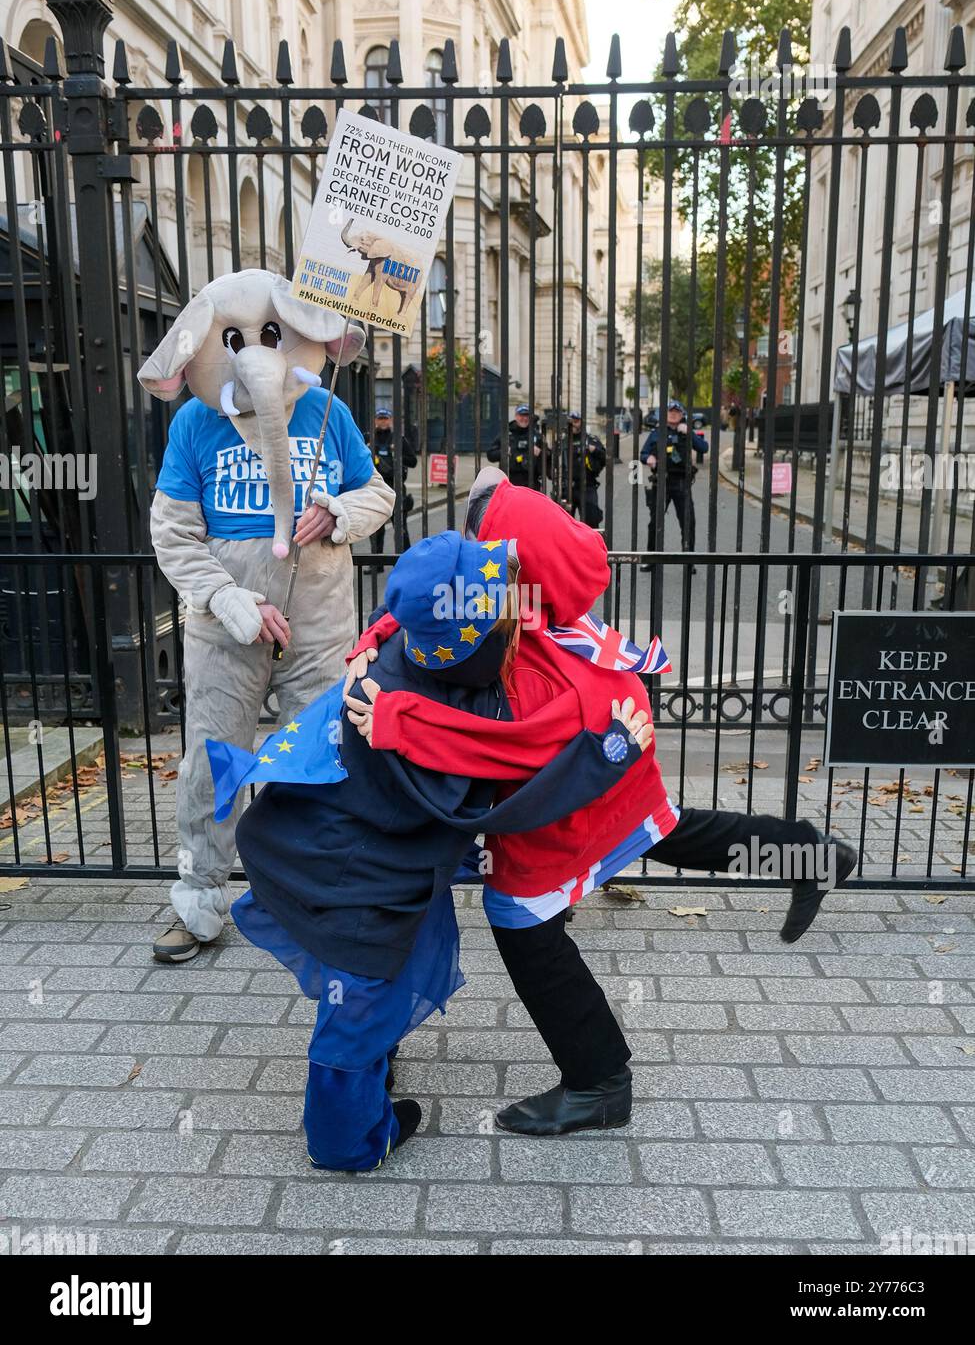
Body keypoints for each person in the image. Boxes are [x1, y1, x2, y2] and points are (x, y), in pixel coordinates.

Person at [345, 469, 858, 1136]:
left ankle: (598, 1081)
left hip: (582, 780)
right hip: (611, 759)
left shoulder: (531, 666)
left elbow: (497, 746)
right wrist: (371, 639)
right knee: (665, 829)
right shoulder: (537, 604)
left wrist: (394, 720)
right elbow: (429, 592)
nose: (475, 557)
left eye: (486, 548)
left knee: (523, 921)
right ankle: (812, 854)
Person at [230, 529, 652, 1170]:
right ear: (475, 636)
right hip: (351, 877)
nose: (514, 606)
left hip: (334, 846)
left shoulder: (406, 654)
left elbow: (397, 610)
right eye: (499, 603)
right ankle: (347, 1142)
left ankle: (369, 1087)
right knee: (359, 1007)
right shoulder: (429, 721)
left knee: (372, 988)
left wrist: (371, 638)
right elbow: (520, 799)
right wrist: (608, 753)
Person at [138, 270, 394, 963]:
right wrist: (227, 598)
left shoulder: (327, 413)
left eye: (272, 335)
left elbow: (378, 493)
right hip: (226, 628)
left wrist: (340, 512)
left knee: (321, 759)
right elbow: (173, 533)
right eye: (237, 339)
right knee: (213, 762)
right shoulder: (195, 423)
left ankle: (321, 896)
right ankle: (199, 898)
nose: (257, 352)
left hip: (318, 623)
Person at [639, 400, 708, 573]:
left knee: (687, 522)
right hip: (660, 482)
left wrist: (690, 433)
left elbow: (704, 448)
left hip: (681, 483)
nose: (673, 414)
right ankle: (651, 559)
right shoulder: (657, 433)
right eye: (671, 411)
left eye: (677, 411)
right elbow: (643, 453)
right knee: (655, 523)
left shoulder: (686, 431)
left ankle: (688, 560)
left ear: (682, 414)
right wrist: (648, 459)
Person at [370, 406, 418, 553]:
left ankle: (406, 559)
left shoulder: (399, 439)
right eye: (380, 418)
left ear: (390, 420)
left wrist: (397, 457)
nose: (383, 421)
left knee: (400, 527)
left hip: (395, 487)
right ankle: (376, 563)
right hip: (376, 487)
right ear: (375, 420)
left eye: (385, 418)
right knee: (376, 528)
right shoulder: (370, 438)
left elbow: (413, 461)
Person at [562, 411, 605, 528]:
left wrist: (594, 450)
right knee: (563, 525)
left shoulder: (590, 439)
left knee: (591, 523)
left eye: (576, 421)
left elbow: (605, 458)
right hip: (567, 487)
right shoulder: (563, 441)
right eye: (571, 422)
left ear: (581, 422)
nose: (574, 424)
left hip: (587, 486)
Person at [487, 403, 546, 489]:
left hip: (531, 483)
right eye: (521, 415)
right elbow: (490, 455)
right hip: (510, 482)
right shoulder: (506, 434)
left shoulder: (536, 435)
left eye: (527, 415)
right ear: (516, 416)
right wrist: (503, 452)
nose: (524, 418)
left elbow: (549, 456)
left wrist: (541, 453)